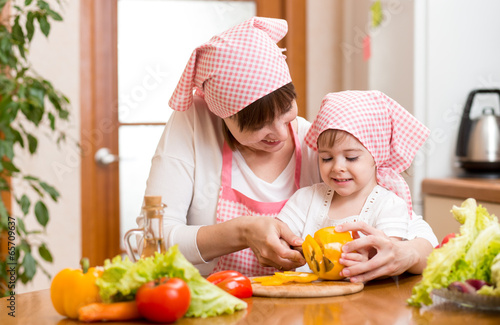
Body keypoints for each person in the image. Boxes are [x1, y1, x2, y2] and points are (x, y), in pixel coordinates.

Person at [140, 17, 437, 280]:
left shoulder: (319, 146)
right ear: (222, 115)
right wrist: (241, 232)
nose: (282, 134)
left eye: (287, 111)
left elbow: (414, 228)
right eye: (260, 125)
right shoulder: (195, 126)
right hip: (213, 300)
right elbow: (153, 241)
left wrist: (405, 254)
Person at [278, 91, 438, 280]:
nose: (337, 167)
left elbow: (387, 256)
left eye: (351, 157)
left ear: (376, 155)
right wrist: (291, 249)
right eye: (326, 158)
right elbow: (280, 236)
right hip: (309, 305)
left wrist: (369, 258)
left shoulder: (389, 206)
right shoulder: (305, 199)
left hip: (368, 304)